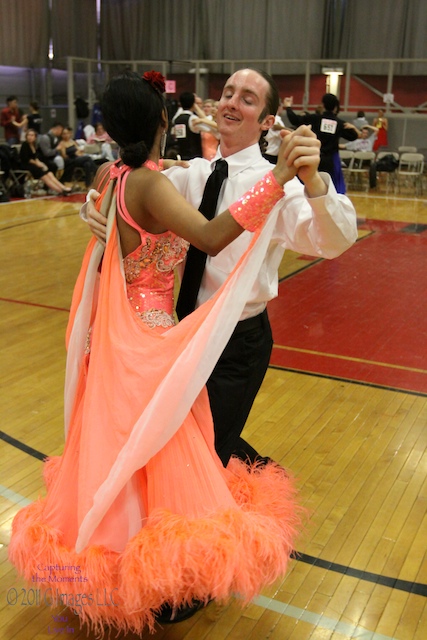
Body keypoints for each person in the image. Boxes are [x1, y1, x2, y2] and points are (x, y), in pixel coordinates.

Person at [9, 69, 305, 635]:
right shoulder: (150, 186)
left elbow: (109, 216)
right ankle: (153, 577)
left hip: (120, 334)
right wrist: (278, 180)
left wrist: (89, 211)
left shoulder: (114, 174)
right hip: (148, 334)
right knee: (163, 457)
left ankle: (117, 566)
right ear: (163, 122)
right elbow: (212, 237)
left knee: (126, 457)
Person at [84, 68, 358, 469]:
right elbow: (127, 188)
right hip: (182, 334)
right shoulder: (191, 173)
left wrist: (315, 182)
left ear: (267, 122)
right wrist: (92, 205)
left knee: (203, 453)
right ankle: (253, 468)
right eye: (227, 92)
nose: (230, 102)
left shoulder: (278, 186)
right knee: (180, 441)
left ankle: (254, 472)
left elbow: (334, 242)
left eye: (247, 98)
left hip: (237, 342)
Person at [283, 93, 358, 193]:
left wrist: (288, 107)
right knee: (329, 188)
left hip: (313, 158)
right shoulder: (339, 123)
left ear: (323, 105)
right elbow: (353, 136)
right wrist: (353, 128)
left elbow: (294, 120)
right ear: (335, 107)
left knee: (308, 186)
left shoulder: (315, 119)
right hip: (330, 161)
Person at [19, 129, 72, 195]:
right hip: (26, 165)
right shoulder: (25, 145)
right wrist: (38, 164)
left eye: (32, 135)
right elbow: (27, 159)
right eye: (28, 135)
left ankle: (63, 187)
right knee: (44, 175)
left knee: (49, 173)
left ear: (35, 137)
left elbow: (35, 158)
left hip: (34, 163)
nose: (30, 137)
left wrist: (42, 164)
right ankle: (59, 190)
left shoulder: (34, 145)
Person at [171, 91, 214, 160]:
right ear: (193, 104)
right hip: (194, 158)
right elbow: (209, 128)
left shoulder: (177, 119)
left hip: (182, 156)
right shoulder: (192, 119)